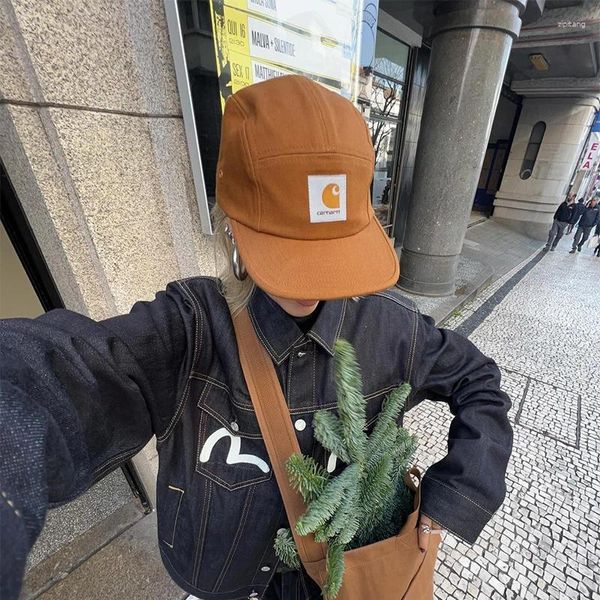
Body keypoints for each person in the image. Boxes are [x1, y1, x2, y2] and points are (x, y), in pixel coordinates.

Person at [0, 76, 513, 600]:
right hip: (222, 584)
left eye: (330, 253)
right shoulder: (189, 327)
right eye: (291, 252)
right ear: (231, 227)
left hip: (337, 585)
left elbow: (479, 380)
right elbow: (60, 374)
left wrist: (450, 499)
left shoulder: (391, 331)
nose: (313, 285)